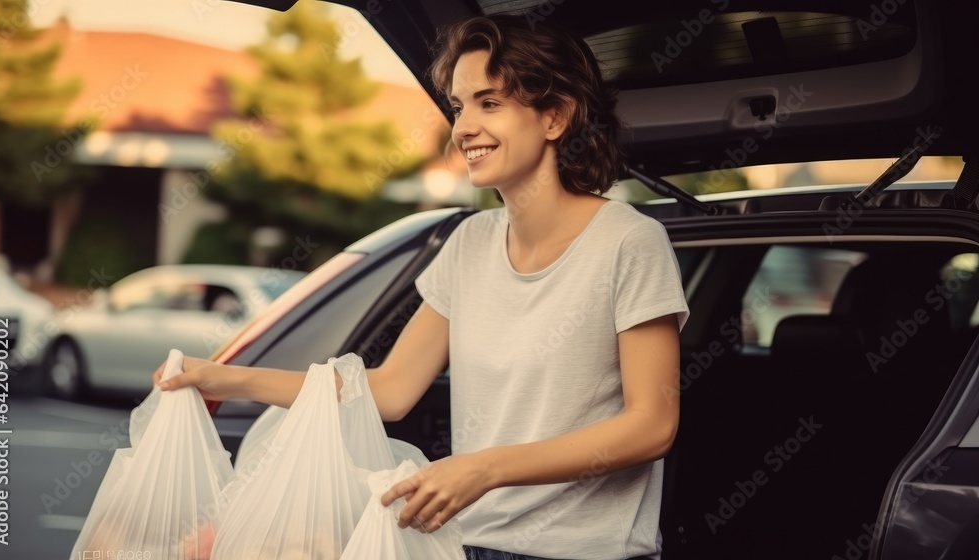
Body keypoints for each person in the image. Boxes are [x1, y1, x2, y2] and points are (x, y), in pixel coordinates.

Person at [155, 14, 689, 560]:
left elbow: (651, 425)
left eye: (489, 102)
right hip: (466, 543)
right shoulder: (469, 243)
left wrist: (483, 469)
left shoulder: (628, 241)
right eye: (459, 107)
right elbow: (389, 389)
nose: (463, 128)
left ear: (554, 116)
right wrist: (221, 378)